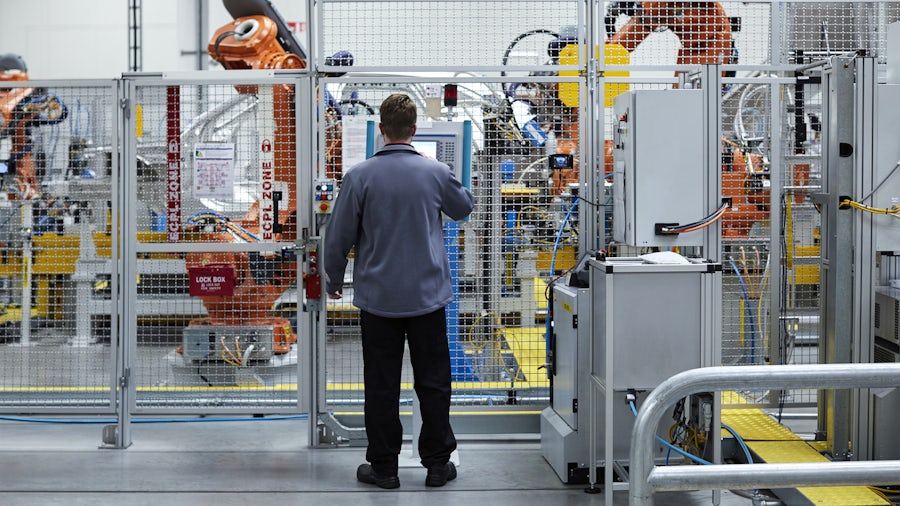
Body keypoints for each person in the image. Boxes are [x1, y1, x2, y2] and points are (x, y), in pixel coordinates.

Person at [323, 93, 474, 489]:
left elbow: (337, 238)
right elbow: (464, 208)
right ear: (413, 130)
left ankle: (384, 468)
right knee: (434, 382)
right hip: (427, 299)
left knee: (382, 384)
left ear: (382, 131)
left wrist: (333, 279)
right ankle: (438, 465)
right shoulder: (435, 172)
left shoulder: (359, 176)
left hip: (379, 301)